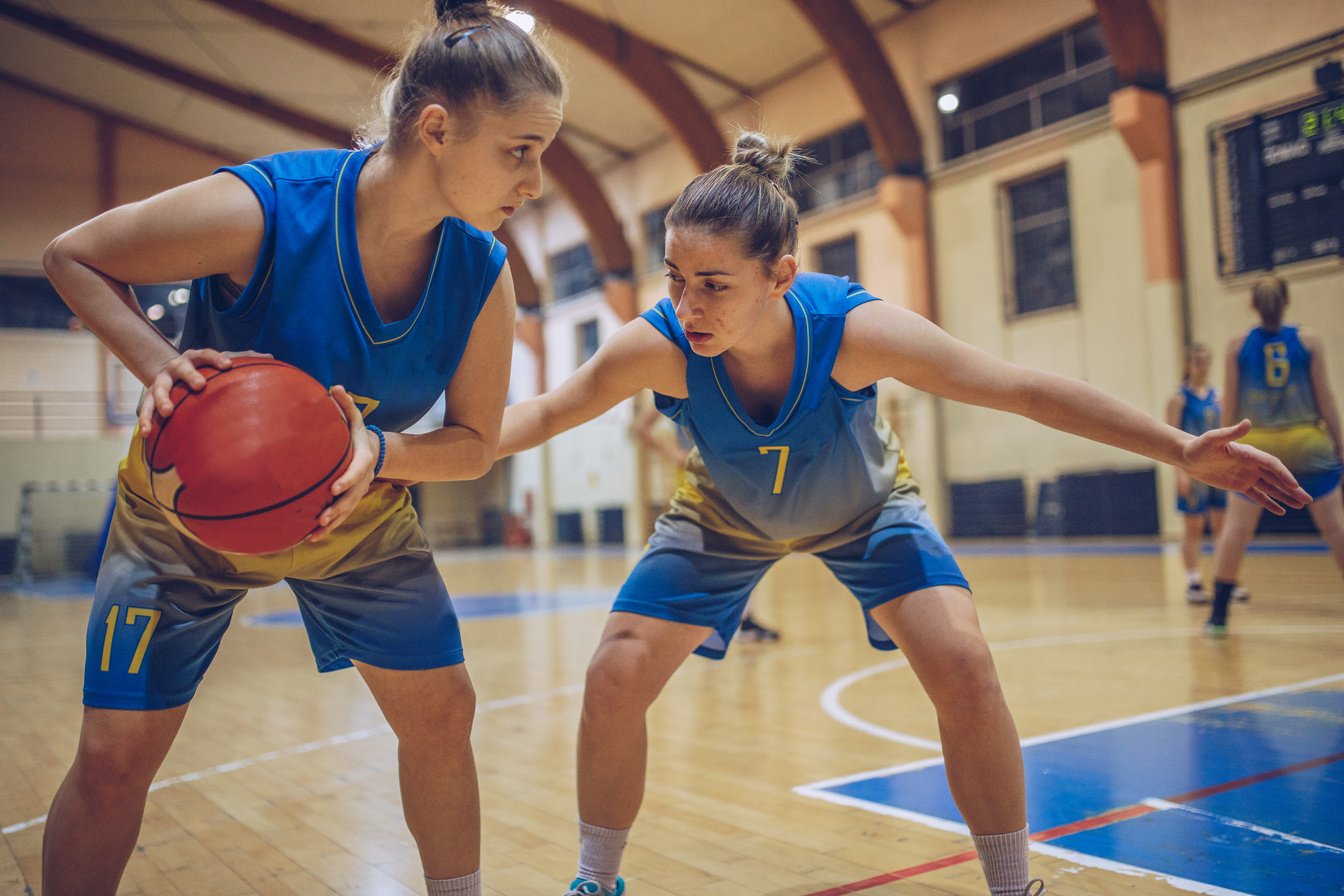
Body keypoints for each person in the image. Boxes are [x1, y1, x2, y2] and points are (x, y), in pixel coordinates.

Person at [496, 132, 1309, 896]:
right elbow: (541, 414)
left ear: (780, 275)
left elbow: (1018, 388)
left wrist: (1180, 448)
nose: (687, 303)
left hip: (865, 510)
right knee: (612, 673)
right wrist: (402, 455)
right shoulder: (659, 344)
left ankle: (1009, 881)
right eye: (674, 277)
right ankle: (595, 879)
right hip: (724, 517)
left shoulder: (852, 330)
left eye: (713, 285)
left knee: (963, 662)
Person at [38, 2, 564, 894]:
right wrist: (160, 365)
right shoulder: (270, 208)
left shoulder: (481, 274)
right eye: (522, 149)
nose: (538, 180)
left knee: (443, 713)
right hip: (182, 510)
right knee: (114, 754)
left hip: (356, 512)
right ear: (436, 129)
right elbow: (72, 256)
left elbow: (475, 446)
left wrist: (380, 450)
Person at [1207, 274, 1344, 635]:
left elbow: (1230, 405)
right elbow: (1325, 399)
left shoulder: (1237, 346)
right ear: (1287, 302)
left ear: (1251, 304)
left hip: (1260, 443)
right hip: (1307, 440)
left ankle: (1218, 615)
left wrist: (1220, 450)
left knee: (1236, 529)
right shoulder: (1308, 341)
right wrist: (1340, 444)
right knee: (1335, 526)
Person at [630, 402, 782, 642]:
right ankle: (689, 616)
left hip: (725, 471)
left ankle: (740, 618)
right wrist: (674, 454)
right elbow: (639, 428)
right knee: (708, 548)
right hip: (697, 474)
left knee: (741, 545)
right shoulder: (674, 384)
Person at [1165, 343, 1249, 604]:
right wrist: (1179, 474)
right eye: (1197, 361)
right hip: (1192, 472)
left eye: (1206, 360)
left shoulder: (1218, 397)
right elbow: (1169, 439)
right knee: (1194, 528)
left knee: (1222, 527)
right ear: (1188, 365)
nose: (1202, 365)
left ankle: (1226, 580)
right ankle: (1193, 582)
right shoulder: (1179, 400)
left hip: (1218, 470)